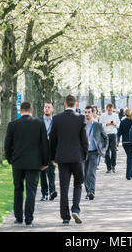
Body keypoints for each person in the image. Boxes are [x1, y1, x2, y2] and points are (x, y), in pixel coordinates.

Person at [4, 101, 49, 227]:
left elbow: (7, 144)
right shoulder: (39, 123)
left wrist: (9, 159)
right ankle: (29, 219)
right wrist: (45, 162)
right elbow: (44, 144)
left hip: (17, 162)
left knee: (18, 189)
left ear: (20, 111)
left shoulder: (12, 125)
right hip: (34, 163)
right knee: (31, 191)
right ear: (32, 110)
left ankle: (18, 217)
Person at [50, 95, 89, 225]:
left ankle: (65, 216)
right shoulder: (80, 119)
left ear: (65, 104)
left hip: (62, 158)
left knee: (64, 187)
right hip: (77, 157)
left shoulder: (56, 119)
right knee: (78, 184)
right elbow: (85, 140)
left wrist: (52, 157)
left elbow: (53, 140)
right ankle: (76, 209)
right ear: (76, 104)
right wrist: (84, 155)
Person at [84, 105, 108, 200]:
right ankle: (88, 191)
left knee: (91, 172)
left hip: (94, 152)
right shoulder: (81, 126)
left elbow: (106, 138)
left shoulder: (98, 125)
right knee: (84, 174)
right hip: (83, 153)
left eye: (89, 112)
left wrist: (103, 149)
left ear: (93, 113)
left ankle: (91, 192)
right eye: (85, 112)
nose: (87, 114)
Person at [40, 102, 57, 201]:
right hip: (41, 151)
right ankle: (44, 193)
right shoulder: (38, 121)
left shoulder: (55, 122)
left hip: (52, 150)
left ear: (52, 109)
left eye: (48, 107)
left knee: (51, 172)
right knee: (42, 173)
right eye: (45, 107)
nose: (46, 109)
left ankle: (52, 191)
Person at [99, 103, 121, 173]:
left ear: (112, 109)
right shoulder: (103, 115)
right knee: (106, 151)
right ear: (106, 109)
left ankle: (113, 165)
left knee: (114, 151)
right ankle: (108, 167)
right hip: (105, 135)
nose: (109, 111)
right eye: (108, 110)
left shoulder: (116, 115)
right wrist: (107, 124)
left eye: (110, 110)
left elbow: (119, 125)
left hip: (113, 134)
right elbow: (100, 125)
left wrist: (114, 124)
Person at [117, 108, 132, 180]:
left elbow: (119, 132)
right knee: (130, 158)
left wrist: (118, 140)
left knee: (129, 157)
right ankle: (128, 175)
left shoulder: (123, 122)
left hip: (125, 142)